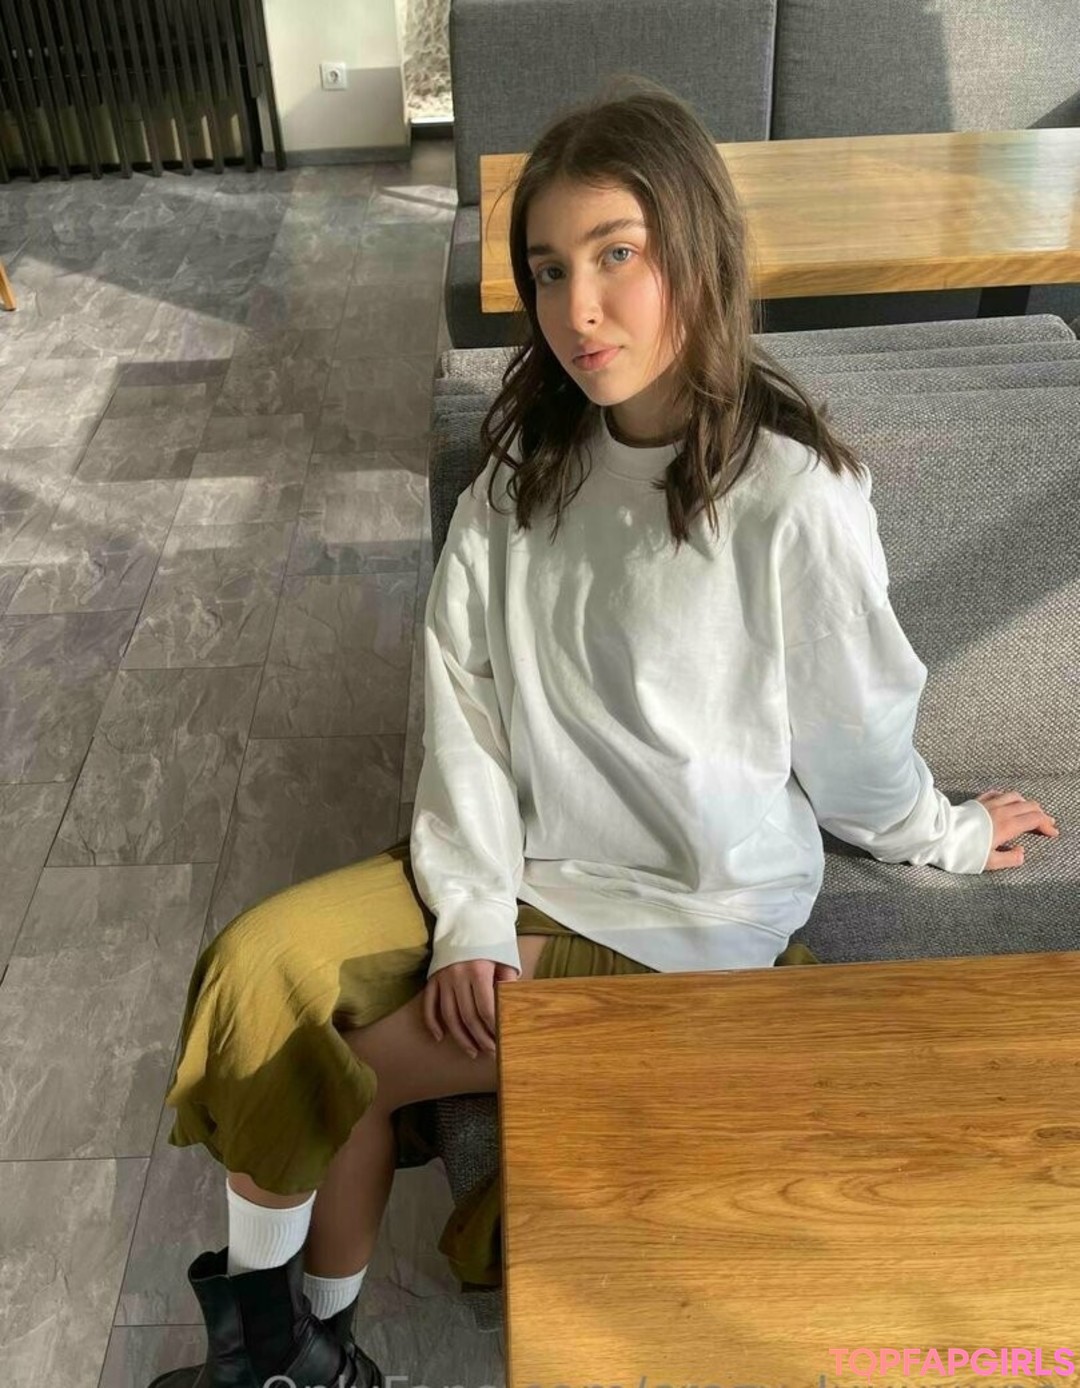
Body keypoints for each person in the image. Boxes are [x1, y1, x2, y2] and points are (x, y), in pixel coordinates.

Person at [149, 75, 1061, 1388]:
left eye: (617, 255)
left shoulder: (794, 498)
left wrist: (953, 835)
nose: (578, 309)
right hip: (522, 862)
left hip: (677, 914)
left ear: (697, 249)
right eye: (549, 269)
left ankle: (306, 1357)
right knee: (253, 973)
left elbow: (859, 741)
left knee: (337, 1068)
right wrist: (470, 917)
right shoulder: (523, 473)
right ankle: (298, 1355)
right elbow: (463, 712)